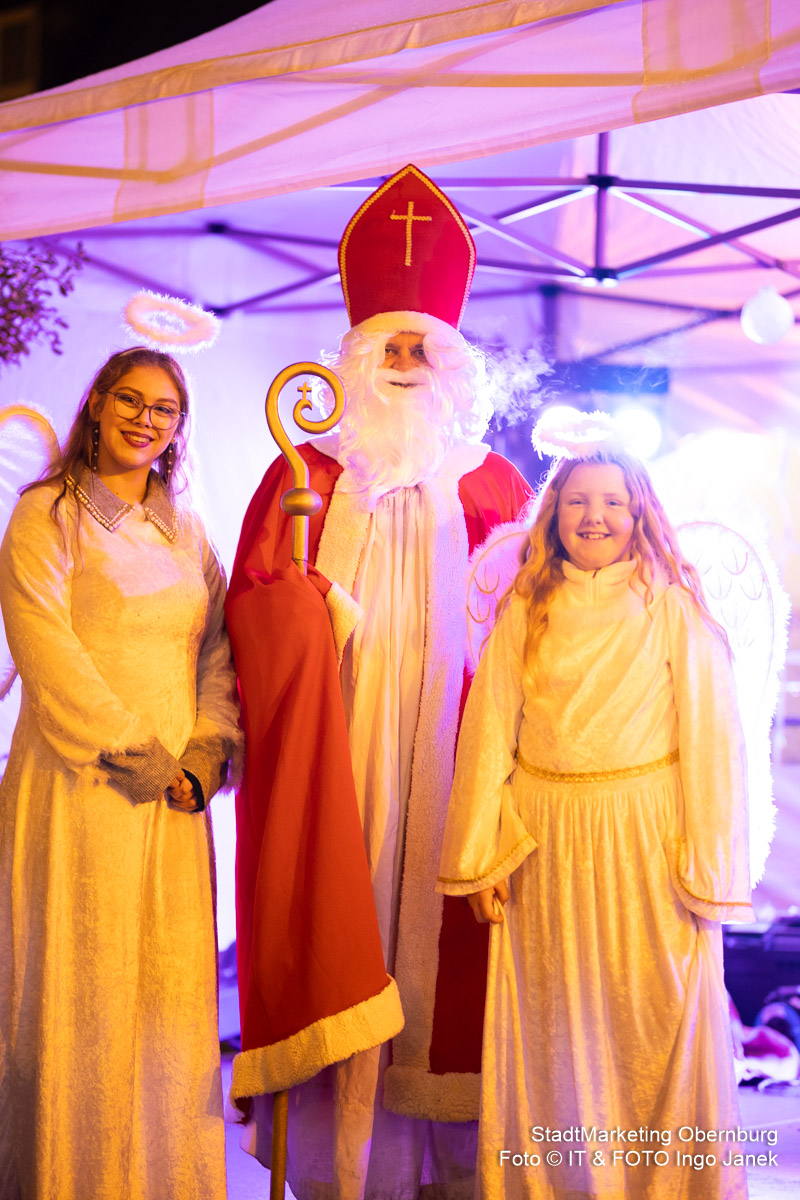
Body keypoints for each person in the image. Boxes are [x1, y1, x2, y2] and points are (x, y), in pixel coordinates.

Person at [226, 164, 534, 1199]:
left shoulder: (493, 482)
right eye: (389, 348)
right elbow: (252, 603)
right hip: (340, 740)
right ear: (357, 359)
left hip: (453, 746)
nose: (405, 365)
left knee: (443, 935)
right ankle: (338, 1162)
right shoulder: (304, 475)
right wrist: (311, 608)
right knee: (340, 906)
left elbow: (526, 624)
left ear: (451, 366)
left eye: (422, 349)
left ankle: (444, 1165)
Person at [437, 430, 753, 1200]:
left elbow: (713, 738)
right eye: (577, 501)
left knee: (650, 1017)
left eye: (613, 501)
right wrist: (477, 856)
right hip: (545, 843)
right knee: (557, 1026)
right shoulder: (527, 608)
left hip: (647, 840)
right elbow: (488, 732)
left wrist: (709, 866)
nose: (594, 516)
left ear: (640, 513)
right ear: (553, 515)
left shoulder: (671, 605)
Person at [0, 346, 242, 1200]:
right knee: (85, 989)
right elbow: (47, 649)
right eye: (131, 401)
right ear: (98, 405)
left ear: (179, 427)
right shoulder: (48, 513)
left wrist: (204, 757)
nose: (146, 419)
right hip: (83, 787)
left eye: (164, 408)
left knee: (165, 998)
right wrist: (138, 756)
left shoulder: (186, 528)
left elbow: (218, 649)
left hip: (176, 800)